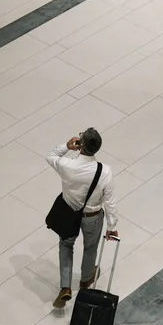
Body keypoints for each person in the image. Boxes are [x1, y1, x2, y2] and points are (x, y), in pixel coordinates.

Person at [46, 128, 119, 308]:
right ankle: (86, 280)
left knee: (66, 244)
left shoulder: (67, 165)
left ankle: (65, 287)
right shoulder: (105, 171)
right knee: (90, 247)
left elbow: (51, 156)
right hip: (93, 217)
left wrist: (66, 146)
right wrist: (111, 226)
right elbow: (109, 201)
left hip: (69, 213)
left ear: (80, 145)